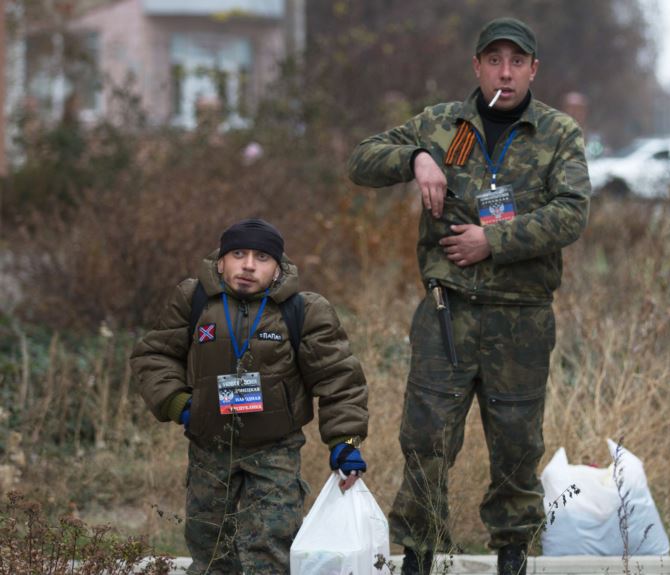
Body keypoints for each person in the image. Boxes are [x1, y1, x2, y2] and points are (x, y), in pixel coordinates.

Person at [346, 16, 590, 575]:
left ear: (533, 69)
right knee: (426, 440)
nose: (505, 72)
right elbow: (360, 159)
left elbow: (571, 213)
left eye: (517, 62)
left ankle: (511, 554)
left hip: (520, 318)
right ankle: (421, 553)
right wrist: (416, 158)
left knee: (516, 445)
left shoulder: (557, 133)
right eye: (494, 60)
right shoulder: (440, 124)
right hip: (446, 313)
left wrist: (492, 241)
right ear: (477, 66)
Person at [131, 218, 369, 574]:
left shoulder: (304, 310)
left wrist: (345, 441)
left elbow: (339, 377)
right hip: (209, 448)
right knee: (211, 550)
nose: (248, 265)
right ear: (221, 261)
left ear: (277, 268)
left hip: (275, 451)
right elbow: (154, 356)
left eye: (261, 257)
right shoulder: (194, 299)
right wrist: (179, 404)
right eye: (238, 254)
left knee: (270, 549)